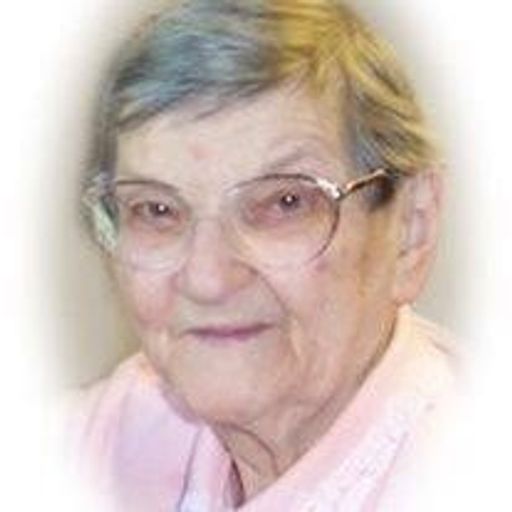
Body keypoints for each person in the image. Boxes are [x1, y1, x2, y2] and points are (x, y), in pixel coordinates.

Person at [71, 1, 457, 510]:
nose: (208, 280)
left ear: (410, 229)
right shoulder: (124, 427)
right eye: (156, 210)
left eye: (284, 202)